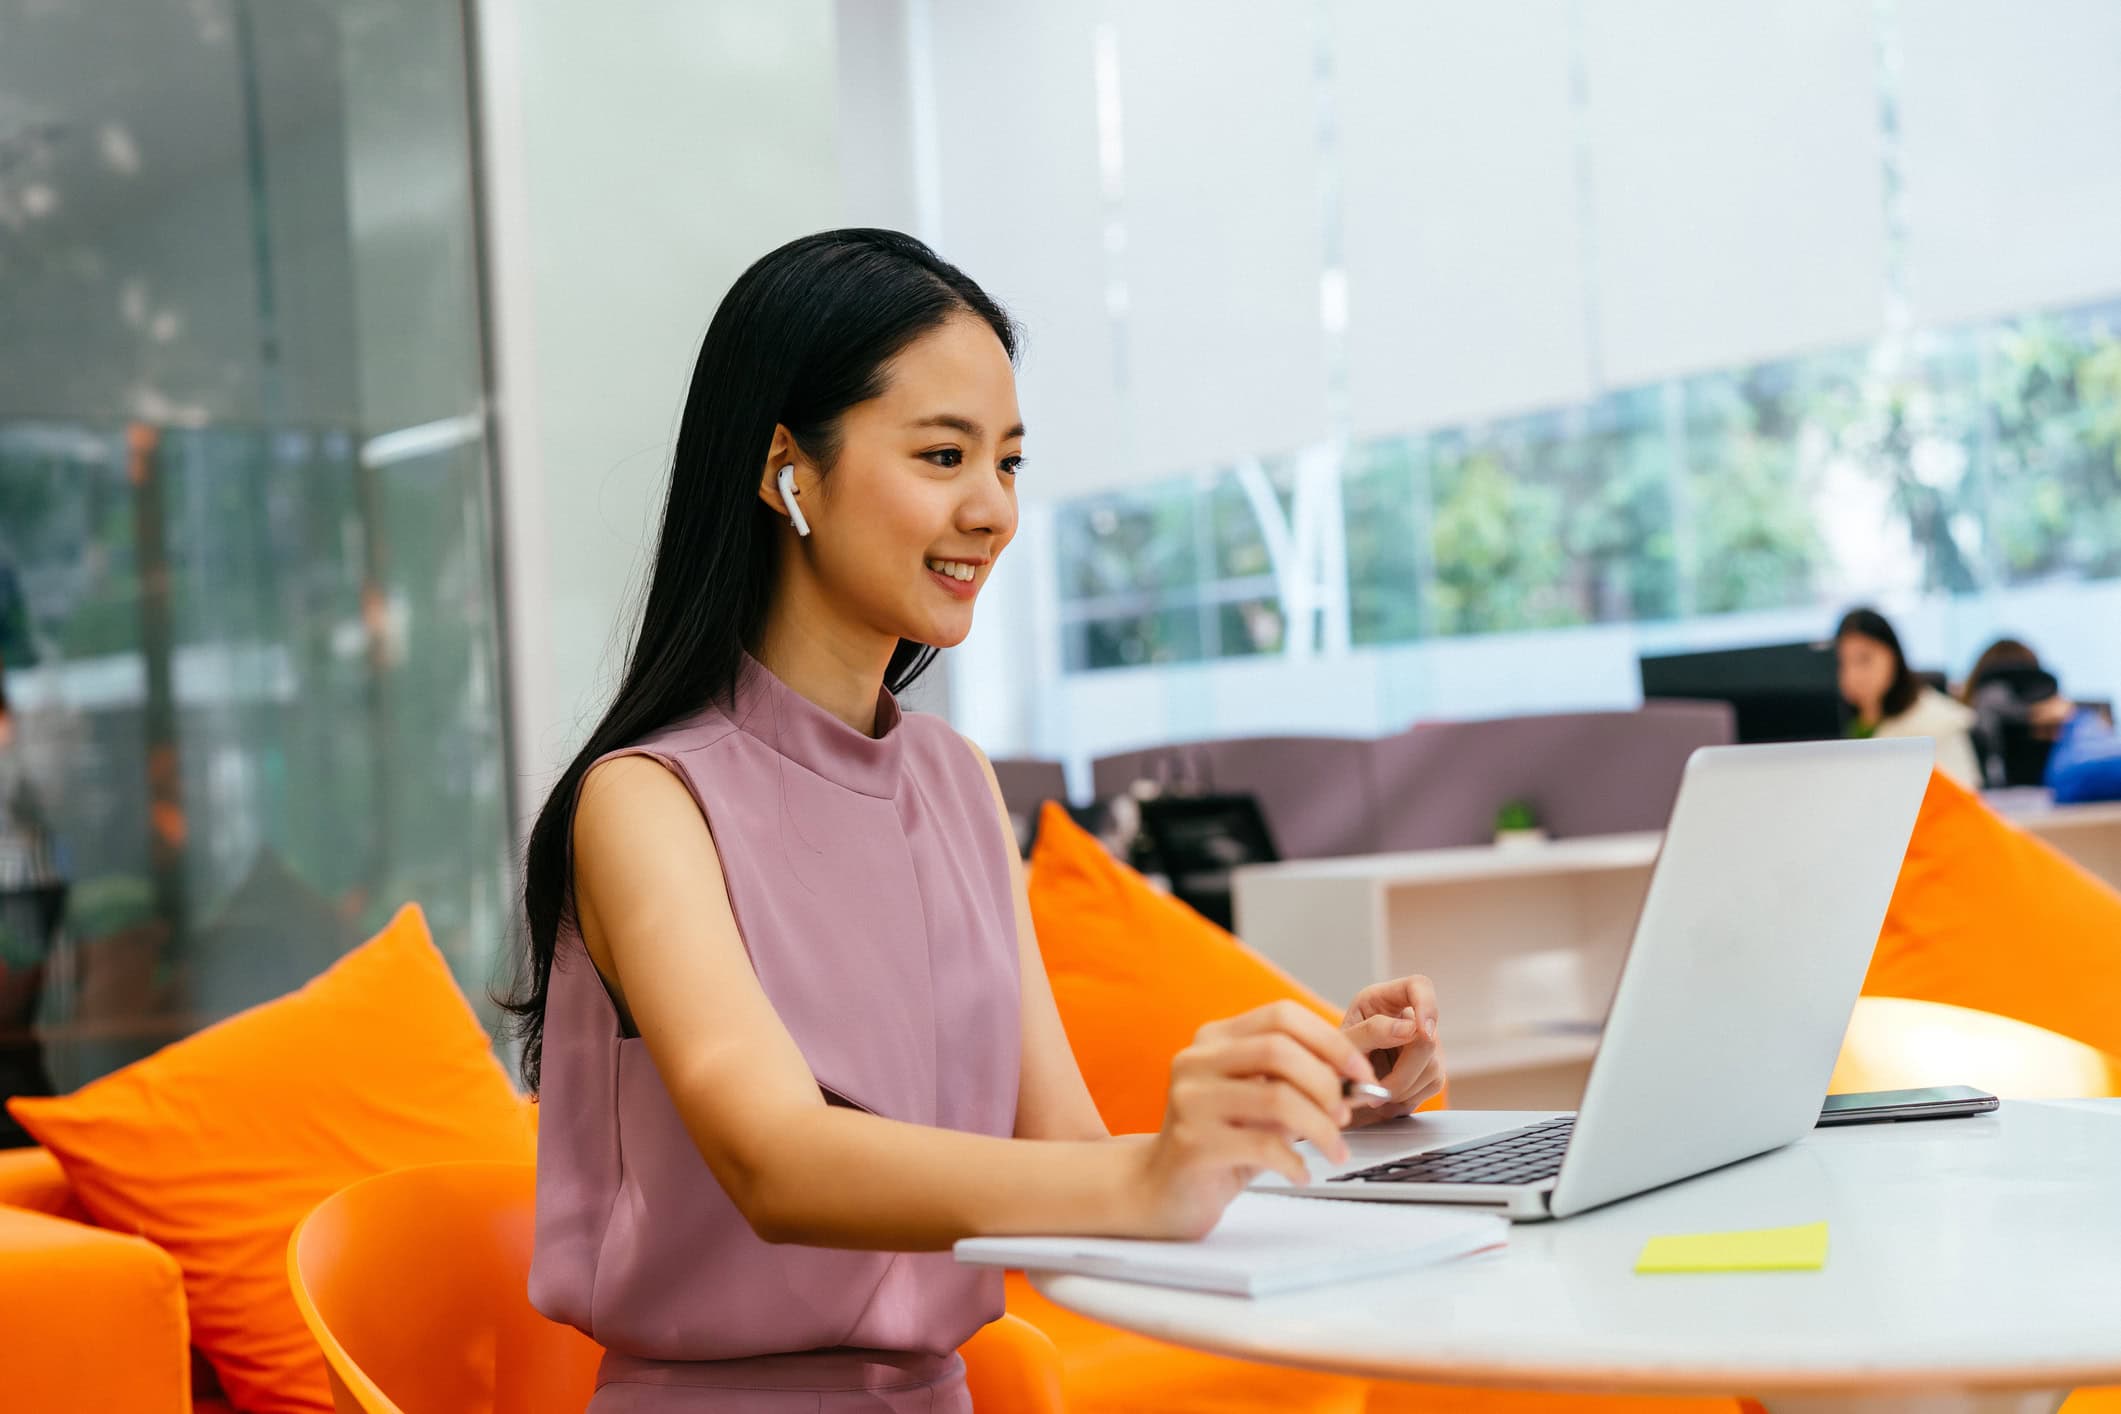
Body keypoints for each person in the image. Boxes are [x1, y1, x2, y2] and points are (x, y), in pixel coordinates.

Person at [501, 230, 1446, 1412]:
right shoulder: (645, 798)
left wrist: (1301, 1110)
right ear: (786, 467)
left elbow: (1056, 1163)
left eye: (1007, 463)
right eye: (945, 454)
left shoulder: (953, 781)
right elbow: (775, 1161)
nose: (992, 510)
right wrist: (1152, 1173)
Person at [1834, 608, 1979, 787]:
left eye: (1864, 659)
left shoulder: (1937, 721)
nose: (1852, 674)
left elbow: (1963, 797)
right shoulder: (1844, 725)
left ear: (1894, 656)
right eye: (1843, 662)